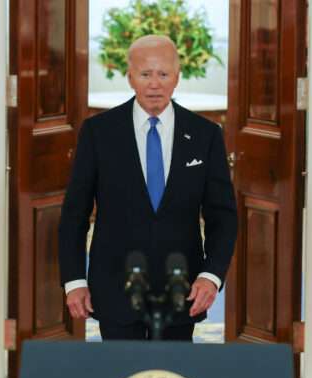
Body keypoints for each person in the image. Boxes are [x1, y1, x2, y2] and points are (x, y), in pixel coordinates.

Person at [58, 35, 237, 341]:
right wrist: (74, 280)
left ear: (177, 77)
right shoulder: (98, 133)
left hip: (182, 290)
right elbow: (75, 213)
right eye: (145, 74)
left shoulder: (206, 135)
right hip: (115, 287)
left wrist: (211, 276)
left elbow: (223, 216)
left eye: (163, 74)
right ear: (130, 77)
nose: (155, 84)